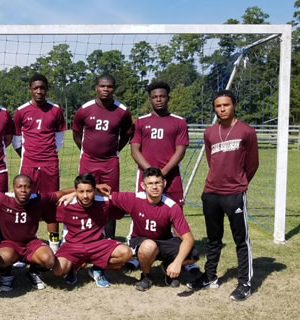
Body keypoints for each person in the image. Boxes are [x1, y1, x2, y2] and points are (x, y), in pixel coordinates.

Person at [187, 90, 258, 302]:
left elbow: (252, 164)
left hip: (234, 194)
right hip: (211, 194)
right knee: (213, 239)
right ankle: (210, 277)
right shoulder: (209, 133)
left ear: (234, 105)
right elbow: (212, 161)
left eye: (226, 105)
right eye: (218, 106)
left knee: (240, 240)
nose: (222, 109)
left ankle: (244, 283)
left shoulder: (246, 131)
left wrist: (239, 183)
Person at [127, 81, 201, 275]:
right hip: (147, 177)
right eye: (154, 97)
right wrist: (151, 172)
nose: (158, 99)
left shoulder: (178, 121)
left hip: (172, 177)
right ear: (150, 99)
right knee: (141, 214)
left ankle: (183, 257)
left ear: (168, 97)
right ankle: (138, 254)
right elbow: (134, 149)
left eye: (162, 96)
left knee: (177, 216)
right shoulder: (141, 121)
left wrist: (163, 172)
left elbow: (181, 150)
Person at [105, 167, 198, 292]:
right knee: (149, 245)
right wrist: (75, 192)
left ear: (164, 183)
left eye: (158, 183)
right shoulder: (134, 199)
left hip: (164, 241)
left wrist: (177, 262)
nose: (154, 187)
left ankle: (167, 266)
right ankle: (146, 276)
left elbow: (188, 238)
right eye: (150, 184)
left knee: (193, 254)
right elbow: (106, 195)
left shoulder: (172, 206)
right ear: (143, 185)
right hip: (141, 241)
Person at [0, 175, 74, 291]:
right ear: (13, 188)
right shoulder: (2, 199)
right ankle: (6, 275)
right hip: (9, 243)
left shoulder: (38, 199)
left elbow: (61, 193)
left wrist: (89, 189)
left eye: (27, 187)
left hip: (31, 243)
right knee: (3, 257)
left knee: (49, 260)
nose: (23, 190)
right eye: (19, 187)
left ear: (32, 188)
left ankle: (34, 272)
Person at [72, 74, 133, 240]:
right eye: (102, 86)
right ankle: (85, 235)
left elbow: (127, 134)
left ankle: (109, 239)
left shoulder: (122, 111)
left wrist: (114, 150)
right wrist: (86, 150)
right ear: (96, 88)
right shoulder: (84, 109)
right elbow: (77, 133)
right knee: (85, 195)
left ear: (114, 89)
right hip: (88, 160)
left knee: (109, 200)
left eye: (109, 87)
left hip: (110, 162)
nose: (105, 89)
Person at [12, 73, 67, 253]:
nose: (39, 91)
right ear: (30, 89)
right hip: (28, 165)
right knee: (25, 203)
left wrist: (47, 155)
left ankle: (54, 245)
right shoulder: (21, 111)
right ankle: (26, 242)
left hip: (50, 164)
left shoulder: (56, 110)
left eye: (42, 88)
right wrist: (29, 155)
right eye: (35, 88)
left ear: (46, 89)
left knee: (52, 205)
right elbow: (16, 141)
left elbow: (59, 140)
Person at [52, 173, 131, 287]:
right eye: (81, 191)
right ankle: (73, 267)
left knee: (126, 254)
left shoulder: (104, 202)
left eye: (89, 191)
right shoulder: (66, 205)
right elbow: (47, 206)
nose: (85, 196)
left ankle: (97, 269)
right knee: (58, 271)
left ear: (95, 190)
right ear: (76, 191)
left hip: (98, 244)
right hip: (72, 246)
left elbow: (125, 204)